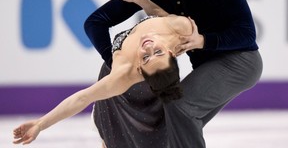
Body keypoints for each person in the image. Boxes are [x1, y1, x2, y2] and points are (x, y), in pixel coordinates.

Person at [84, 0, 263, 148]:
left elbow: (246, 35)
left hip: (240, 61)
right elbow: (95, 22)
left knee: (179, 106)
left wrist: (203, 41)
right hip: (206, 67)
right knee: (167, 126)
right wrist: (114, 63)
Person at [13, 14, 195, 145]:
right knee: (113, 136)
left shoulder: (122, 75)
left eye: (146, 57)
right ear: (171, 53)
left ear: (139, 67)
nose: (149, 47)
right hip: (137, 92)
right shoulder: (180, 33)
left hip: (154, 92)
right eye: (157, 52)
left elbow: (82, 98)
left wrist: (40, 124)